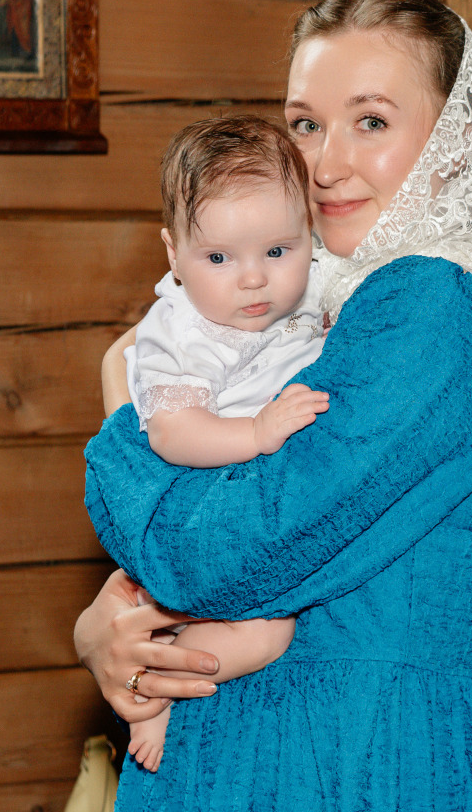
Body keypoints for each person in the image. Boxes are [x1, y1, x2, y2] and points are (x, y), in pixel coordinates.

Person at [76, 0, 472, 811]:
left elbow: (226, 553)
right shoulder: (311, 305)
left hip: (349, 755)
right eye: (306, 123)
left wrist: (123, 423)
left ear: (459, 142)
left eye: (372, 121)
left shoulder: (429, 301)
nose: (322, 164)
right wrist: (105, 626)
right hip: (297, 736)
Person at [122, 115, 329, 771]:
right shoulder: (181, 328)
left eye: (278, 251)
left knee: (272, 627)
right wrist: (256, 433)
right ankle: (159, 685)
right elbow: (172, 431)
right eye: (219, 258)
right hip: (201, 494)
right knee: (268, 632)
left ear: (309, 237)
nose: (253, 280)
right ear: (173, 254)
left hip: (268, 493)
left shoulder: (309, 289)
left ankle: (164, 654)